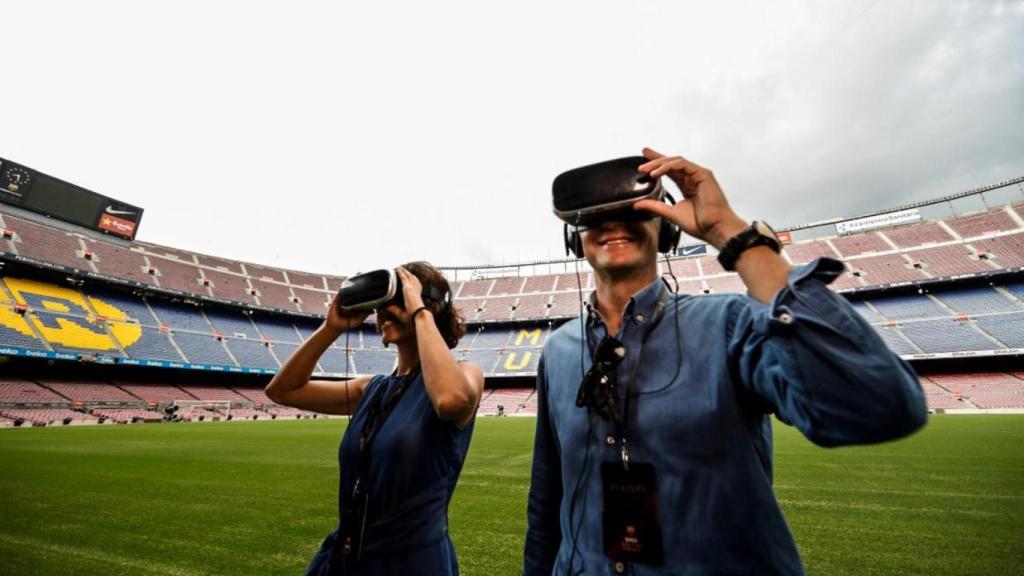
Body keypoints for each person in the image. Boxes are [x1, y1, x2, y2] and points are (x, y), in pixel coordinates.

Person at [523, 148, 928, 575]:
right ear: (574, 238)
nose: (613, 222)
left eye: (635, 210)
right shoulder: (559, 350)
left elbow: (880, 406)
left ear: (667, 231)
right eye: (593, 217)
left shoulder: (731, 324)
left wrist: (730, 233)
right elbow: (547, 501)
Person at [266, 262, 485, 576]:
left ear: (430, 306)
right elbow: (283, 391)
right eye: (381, 306)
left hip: (412, 563)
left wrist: (420, 313)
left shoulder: (467, 374)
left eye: (397, 302)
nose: (385, 312)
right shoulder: (370, 388)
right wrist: (331, 329)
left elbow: (450, 400)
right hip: (350, 556)